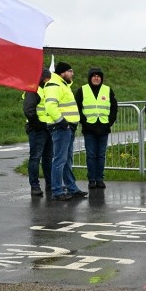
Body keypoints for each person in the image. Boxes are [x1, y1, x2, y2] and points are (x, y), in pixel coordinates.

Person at [44, 61, 87, 201]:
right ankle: (57, 191)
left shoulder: (63, 85)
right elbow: (50, 106)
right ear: (63, 72)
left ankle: (72, 188)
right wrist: (62, 122)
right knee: (59, 160)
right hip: (61, 127)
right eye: (70, 71)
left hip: (67, 127)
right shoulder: (54, 85)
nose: (72, 74)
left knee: (67, 160)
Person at [75, 67, 118, 189]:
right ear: (90, 77)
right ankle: (91, 179)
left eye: (98, 76)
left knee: (101, 155)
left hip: (103, 127)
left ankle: (100, 178)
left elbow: (114, 108)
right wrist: (83, 121)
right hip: (89, 128)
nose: (96, 77)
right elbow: (77, 108)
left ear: (101, 78)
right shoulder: (82, 90)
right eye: (93, 75)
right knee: (91, 155)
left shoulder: (108, 90)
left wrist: (109, 122)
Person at [23, 69, 54, 196]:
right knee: (35, 158)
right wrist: (38, 125)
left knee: (48, 158)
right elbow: (29, 110)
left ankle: (50, 185)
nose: (49, 81)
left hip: (48, 128)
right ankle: (35, 186)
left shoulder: (46, 90)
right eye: (48, 78)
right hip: (38, 129)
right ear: (43, 78)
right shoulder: (33, 90)